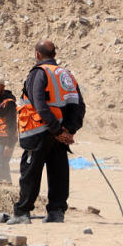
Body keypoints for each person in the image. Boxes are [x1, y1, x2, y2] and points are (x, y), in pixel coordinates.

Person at [10, 40, 85, 224]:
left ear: (37, 54)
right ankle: (56, 212)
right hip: (59, 134)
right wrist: (68, 130)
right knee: (58, 172)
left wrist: (58, 130)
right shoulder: (66, 75)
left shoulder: (39, 73)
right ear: (54, 54)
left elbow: (39, 105)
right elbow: (79, 106)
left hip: (38, 132)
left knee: (30, 173)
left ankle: (22, 213)